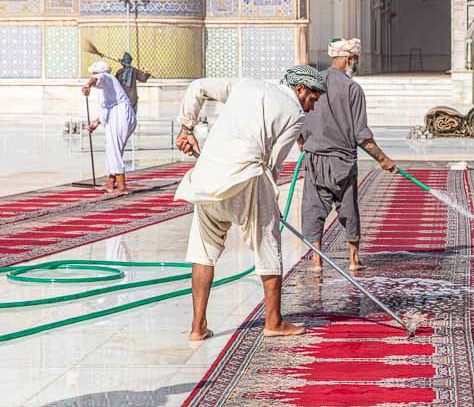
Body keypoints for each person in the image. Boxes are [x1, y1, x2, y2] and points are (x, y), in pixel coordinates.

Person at [174, 66, 327, 341]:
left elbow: (198, 86)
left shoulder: (245, 84)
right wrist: (271, 203)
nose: (311, 108)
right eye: (312, 100)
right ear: (300, 89)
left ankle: (197, 327)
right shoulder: (294, 114)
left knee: (203, 251)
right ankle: (274, 322)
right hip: (248, 177)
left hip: (208, 175)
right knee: (268, 245)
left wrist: (187, 128)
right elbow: (273, 163)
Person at [299, 38, 396, 273]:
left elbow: (297, 120)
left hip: (314, 158)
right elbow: (361, 134)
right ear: (350, 59)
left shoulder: (311, 82)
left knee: (313, 206)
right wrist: (383, 159)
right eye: (356, 59)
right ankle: (353, 260)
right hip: (342, 161)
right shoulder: (352, 88)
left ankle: (317, 261)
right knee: (348, 207)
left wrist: (303, 143)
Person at [82, 60, 137, 194]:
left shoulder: (106, 77)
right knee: (112, 148)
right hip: (117, 115)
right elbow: (105, 108)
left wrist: (88, 85)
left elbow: (98, 77)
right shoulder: (104, 88)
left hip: (120, 115)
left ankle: (122, 186)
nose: (91, 76)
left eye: (93, 74)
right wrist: (96, 123)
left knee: (114, 149)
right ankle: (110, 183)